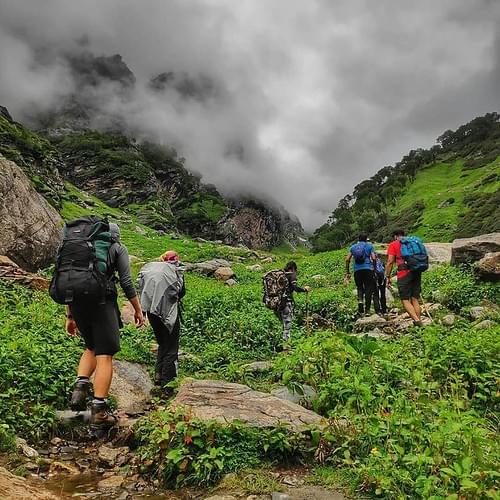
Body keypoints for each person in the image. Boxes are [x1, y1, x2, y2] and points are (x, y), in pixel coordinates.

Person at [66, 223, 145, 430]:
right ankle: (99, 412)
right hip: (102, 302)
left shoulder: (79, 246)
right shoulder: (116, 247)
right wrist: (137, 310)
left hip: (76, 303)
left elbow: (70, 280)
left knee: (90, 346)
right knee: (105, 354)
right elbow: (127, 282)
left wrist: (70, 315)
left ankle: (79, 391)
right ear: (115, 236)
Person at [137, 250, 185, 398]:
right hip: (168, 312)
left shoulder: (151, 268)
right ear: (176, 260)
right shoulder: (175, 271)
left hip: (151, 311)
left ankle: (158, 374)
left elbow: (139, 285)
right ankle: (167, 386)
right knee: (171, 346)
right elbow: (181, 292)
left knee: (162, 342)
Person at [385, 229, 423, 327]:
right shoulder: (411, 242)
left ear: (395, 236)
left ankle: (417, 321)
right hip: (416, 271)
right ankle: (418, 322)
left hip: (404, 273)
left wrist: (388, 276)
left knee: (405, 299)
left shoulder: (393, 244)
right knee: (414, 298)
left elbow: (390, 261)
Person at [278, 261, 311, 349]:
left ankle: (282, 344)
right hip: (286, 303)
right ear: (293, 269)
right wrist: (304, 289)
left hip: (276, 304)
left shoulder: (281, 275)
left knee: (283, 325)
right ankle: (286, 347)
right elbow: (295, 288)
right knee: (287, 325)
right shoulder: (291, 275)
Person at [345, 234, 377, 316]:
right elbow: (373, 258)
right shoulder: (369, 246)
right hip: (368, 269)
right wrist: (374, 268)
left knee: (359, 287)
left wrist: (347, 271)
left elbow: (347, 259)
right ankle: (367, 310)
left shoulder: (353, 247)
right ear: (366, 239)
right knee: (368, 289)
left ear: (358, 239)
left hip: (357, 270)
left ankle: (360, 303)